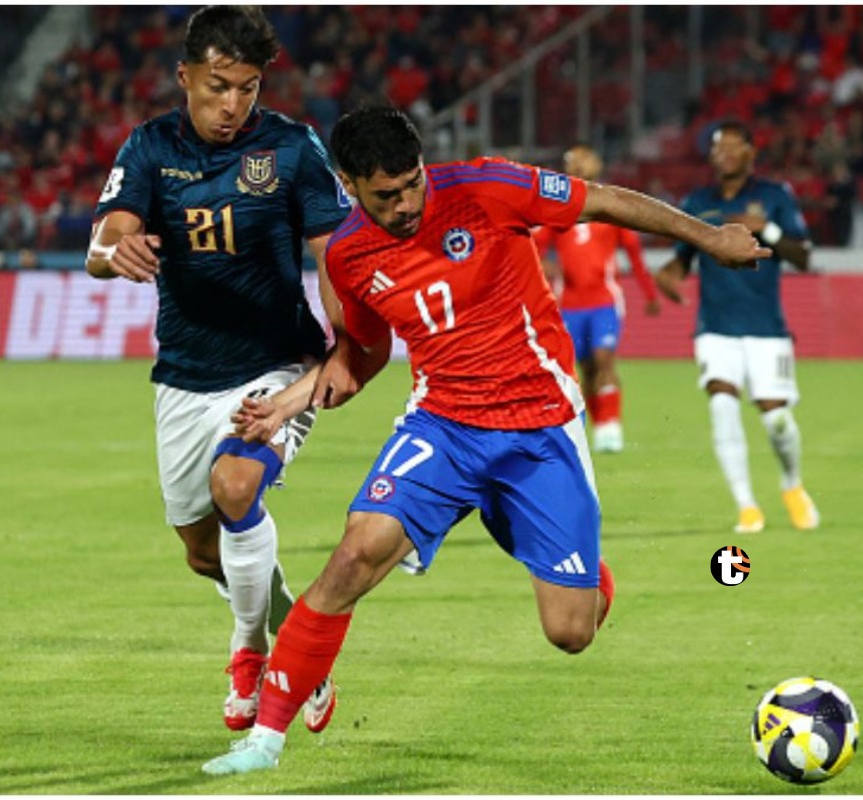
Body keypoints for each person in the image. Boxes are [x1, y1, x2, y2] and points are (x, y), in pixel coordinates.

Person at [200, 106, 768, 775]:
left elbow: (604, 201)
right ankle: (265, 740)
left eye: (412, 183)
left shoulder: (485, 188)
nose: (408, 203)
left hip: (538, 429)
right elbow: (361, 354)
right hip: (443, 427)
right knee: (355, 553)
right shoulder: (350, 257)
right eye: (387, 195)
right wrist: (287, 404)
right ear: (351, 186)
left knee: (570, 632)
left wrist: (710, 238)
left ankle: (574, 567)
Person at [84, 6, 347, 735]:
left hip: (277, 362)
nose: (234, 105)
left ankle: (249, 652)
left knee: (238, 485)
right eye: (218, 86)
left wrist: (347, 344)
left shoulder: (293, 149)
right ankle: (303, 645)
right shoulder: (148, 147)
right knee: (204, 554)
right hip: (184, 375)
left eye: (249, 88)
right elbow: (102, 247)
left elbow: (336, 257)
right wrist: (118, 254)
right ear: (185, 77)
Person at [654, 119, 820, 535]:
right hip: (715, 326)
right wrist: (669, 274)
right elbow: (682, 257)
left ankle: (792, 485)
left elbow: (803, 257)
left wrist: (770, 229)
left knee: (777, 421)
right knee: (722, 405)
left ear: (750, 151)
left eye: (732, 146)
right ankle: (747, 506)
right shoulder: (697, 202)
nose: (723, 153)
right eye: (717, 147)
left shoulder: (774, 196)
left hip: (766, 327)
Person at [532, 144, 660, 455]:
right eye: (569, 165)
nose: (571, 170)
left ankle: (610, 426)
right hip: (570, 304)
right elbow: (534, 246)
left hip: (604, 301)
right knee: (585, 368)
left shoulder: (610, 211)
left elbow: (634, 254)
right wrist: (542, 265)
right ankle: (596, 419)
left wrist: (649, 293)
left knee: (604, 358)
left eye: (576, 164)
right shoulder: (559, 214)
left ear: (590, 167)